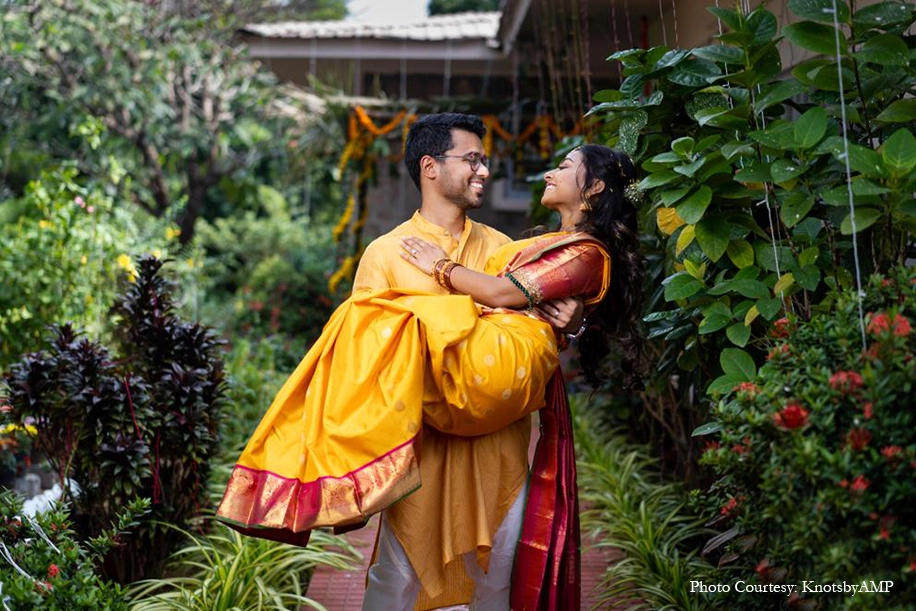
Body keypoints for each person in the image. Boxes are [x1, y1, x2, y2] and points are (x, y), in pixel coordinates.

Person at [215, 114, 643, 610]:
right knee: (397, 585)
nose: (484, 170)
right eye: (472, 160)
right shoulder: (386, 254)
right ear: (430, 167)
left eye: (484, 160)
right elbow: (366, 356)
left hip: (497, 451)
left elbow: (525, 341)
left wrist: (572, 324)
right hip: (422, 458)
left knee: (496, 586)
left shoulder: (502, 250)